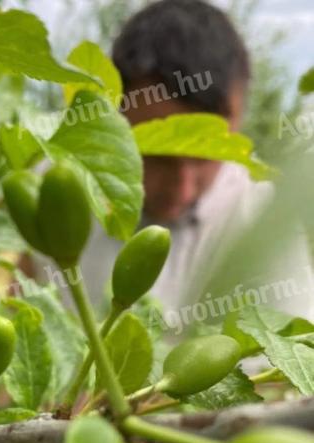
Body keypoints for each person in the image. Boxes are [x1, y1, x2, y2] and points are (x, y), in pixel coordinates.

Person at [73, 0, 313, 334]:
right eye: (155, 154)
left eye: (207, 154)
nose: (182, 189)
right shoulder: (64, 190)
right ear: (115, 115)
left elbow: (290, 377)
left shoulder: (266, 223)